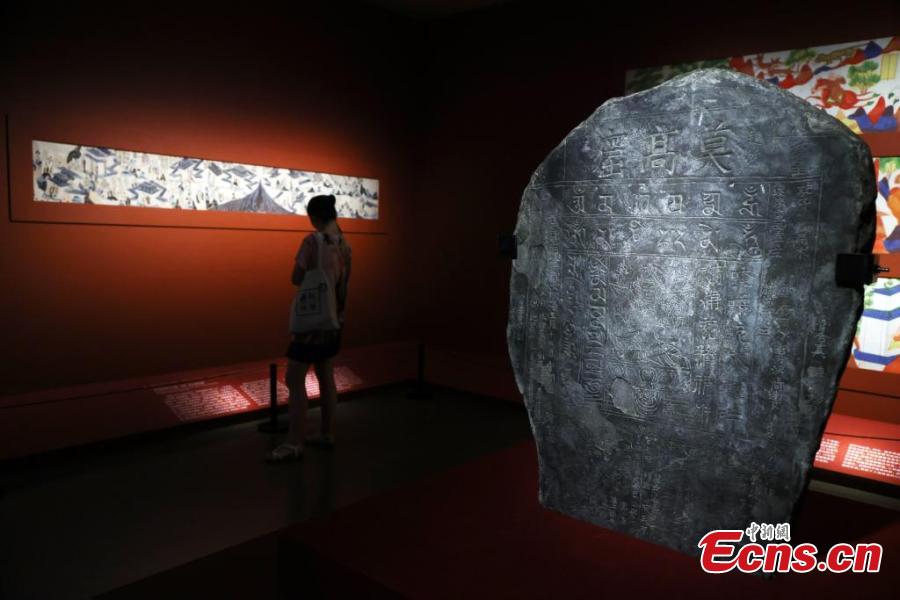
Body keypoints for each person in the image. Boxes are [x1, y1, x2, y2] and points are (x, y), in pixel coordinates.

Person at [267, 194, 352, 463]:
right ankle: (327, 433)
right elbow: (343, 285)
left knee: (294, 378)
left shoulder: (312, 242)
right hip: (334, 320)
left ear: (314, 217)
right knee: (326, 375)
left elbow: (296, 277)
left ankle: (294, 443)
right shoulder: (344, 245)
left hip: (312, 322)